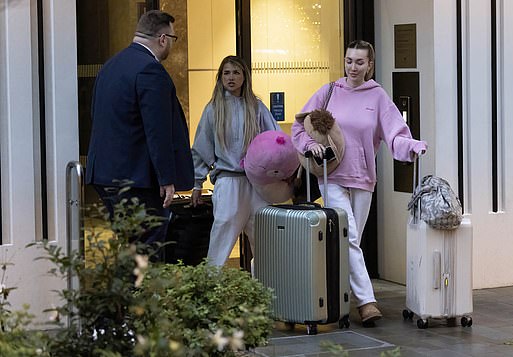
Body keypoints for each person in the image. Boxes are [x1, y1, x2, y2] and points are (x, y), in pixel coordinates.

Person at [292, 40, 428, 325]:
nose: (353, 67)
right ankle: (367, 302)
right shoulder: (329, 91)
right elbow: (299, 125)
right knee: (349, 237)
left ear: (370, 65)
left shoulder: (377, 96)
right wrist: (309, 145)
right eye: (349, 61)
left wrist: (411, 146)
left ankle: (337, 299)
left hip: (363, 177)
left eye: (359, 62)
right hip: (330, 176)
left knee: (348, 242)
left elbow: (395, 133)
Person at [86, 10, 194, 245]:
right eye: (173, 39)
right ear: (163, 39)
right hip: (137, 178)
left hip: (106, 174)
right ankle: (141, 284)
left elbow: (97, 114)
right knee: (148, 248)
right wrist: (166, 178)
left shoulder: (110, 66)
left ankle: (130, 283)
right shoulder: (150, 70)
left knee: (130, 246)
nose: (171, 46)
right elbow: (158, 130)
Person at [191, 55, 280, 266]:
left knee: (265, 242)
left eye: (236, 72)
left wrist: (282, 175)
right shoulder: (213, 109)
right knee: (220, 243)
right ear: (220, 77)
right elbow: (201, 149)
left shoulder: (257, 108)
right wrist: (196, 184)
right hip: (228, 182)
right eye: (226, 73)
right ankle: (210, 292)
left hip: (257, 183)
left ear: (244, 77)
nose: (231, 77)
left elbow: (276, 141)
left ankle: (267, 293)